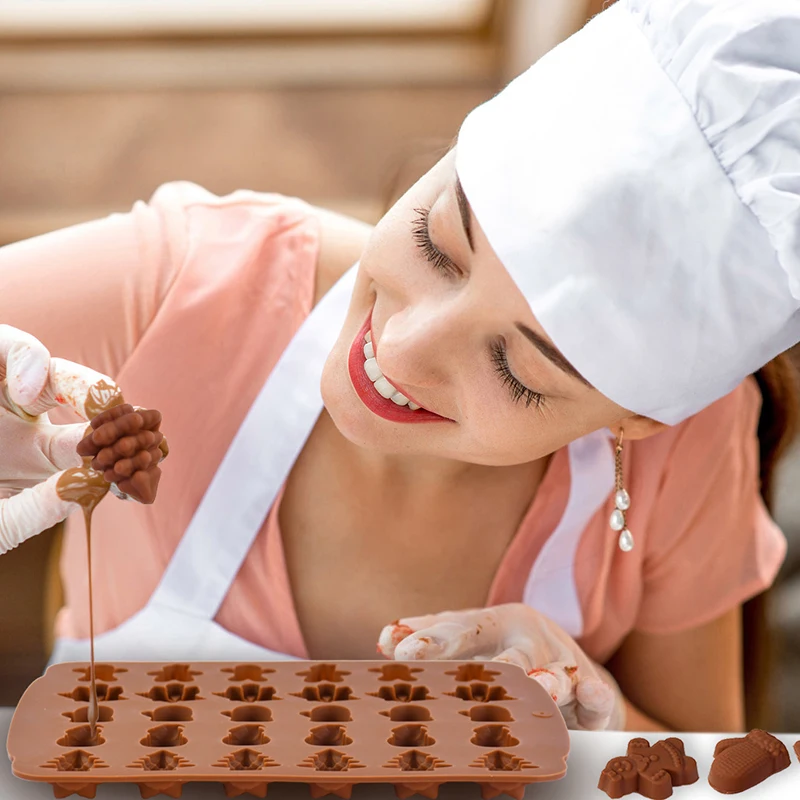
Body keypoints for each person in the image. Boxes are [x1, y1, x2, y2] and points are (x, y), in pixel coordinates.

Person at [1, 0, 799, 733]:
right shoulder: (185, 283)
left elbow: (710, 773)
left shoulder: (689, 445)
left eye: (519, 369)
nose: (402, 349)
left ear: (635, 418)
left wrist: (600, 720)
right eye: (436, 242)